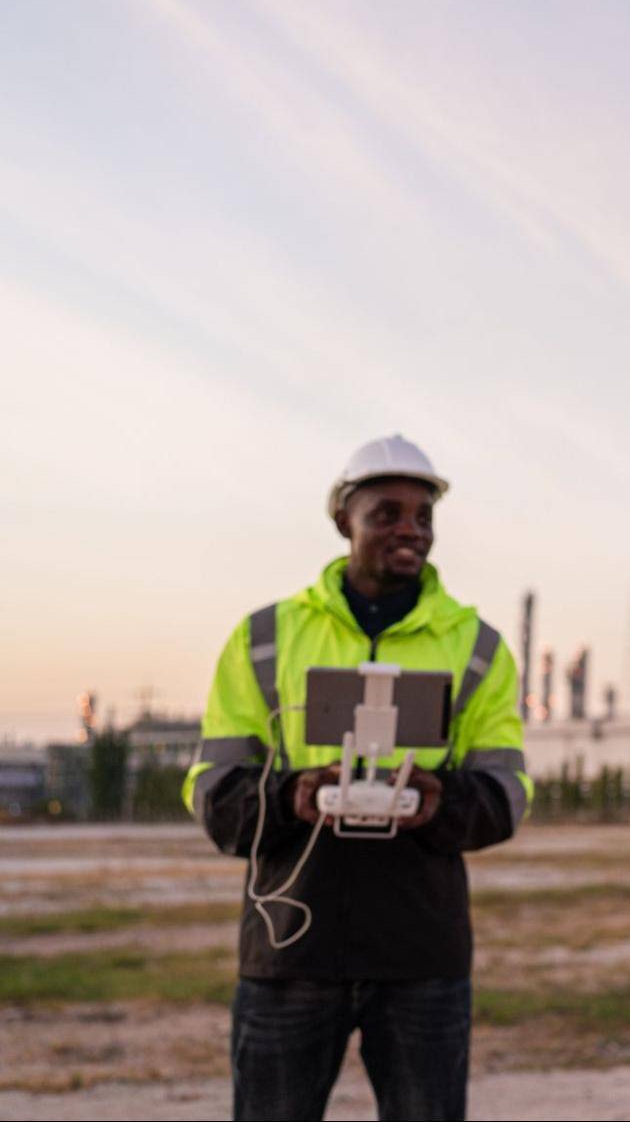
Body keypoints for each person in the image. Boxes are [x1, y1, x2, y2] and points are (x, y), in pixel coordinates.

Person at [181, 435, 532, 1122]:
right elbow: (211, 792)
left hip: (421, 956)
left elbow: (508, 796)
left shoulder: (477, 647)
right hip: (290, 949)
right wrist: (292, 796)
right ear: (344, 519)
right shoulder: (266, 639)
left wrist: (440, 802)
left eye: (423, 516)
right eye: (387, 512)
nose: (410, 530)